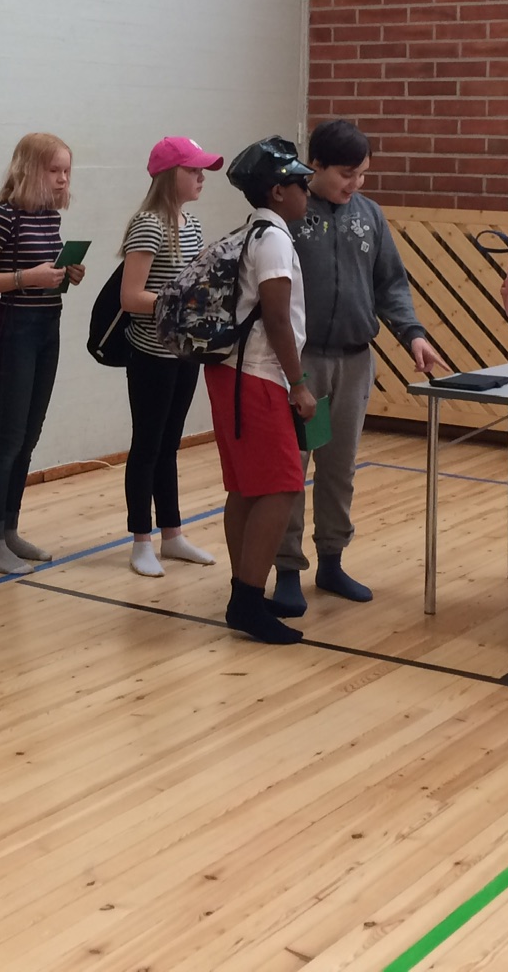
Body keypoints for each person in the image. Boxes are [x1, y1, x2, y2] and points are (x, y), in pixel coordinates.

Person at [273, 120, 446, 615]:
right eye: (346, 174)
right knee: (294, 467)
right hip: (303, 362)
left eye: (363, 174)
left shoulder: (369, 215)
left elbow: (390, 284)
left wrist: (413, 334)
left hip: (353, 362)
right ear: (316, 166)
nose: (356, 184)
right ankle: (287, 567)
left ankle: (332, 560)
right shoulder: (289, 216)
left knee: (339, 466)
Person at [206, 137, 317, 646]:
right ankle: (248, 600)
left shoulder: (252, 231)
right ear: (277, 191)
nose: (307, 192)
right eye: (301, 184)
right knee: (283, 485)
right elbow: (276, 316)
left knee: (247, 486)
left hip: (233, 373)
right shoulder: (273, 240)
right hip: (258, 375)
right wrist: (298, 384)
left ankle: (244, 594)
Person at [0, 133, 85, 576]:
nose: (63, 178)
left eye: (67, 171)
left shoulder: (49, 217)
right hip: (15, 330)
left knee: (29, 436)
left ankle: (9, 528)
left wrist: (67, 273)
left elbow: (44, 275)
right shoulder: (4, 216)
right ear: (31, 170)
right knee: (9, 436)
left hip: (48, 326)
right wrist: (25, 277)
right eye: (54, 170)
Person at [117, 137, 223, 577]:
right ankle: (141, 540)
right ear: (168, 174)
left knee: (170, 445)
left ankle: (173, 534)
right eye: (193, 170)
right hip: (151, 354)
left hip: (183, 353)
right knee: (147, 445)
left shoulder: (191, 223)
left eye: (202, 171)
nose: (201, 178)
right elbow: (130, 297)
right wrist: (180, 303)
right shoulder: (149, 225)